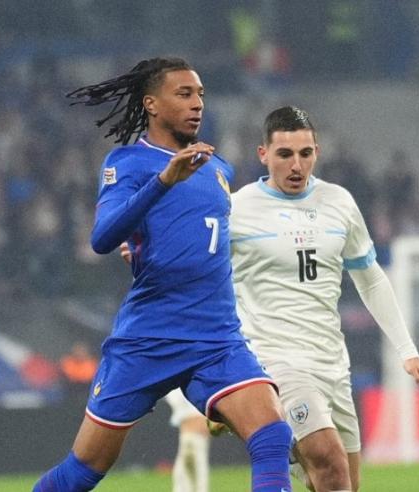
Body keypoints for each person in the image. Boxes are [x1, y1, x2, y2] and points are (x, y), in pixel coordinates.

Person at [32, 57, 293, 492]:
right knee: (83, 470)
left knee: (272, 435)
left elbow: (201, 237)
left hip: (215, 337)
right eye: (184, 94)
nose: (197, 104)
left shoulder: (218, 168)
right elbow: (101, 238)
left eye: (201, 95)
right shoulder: (129, 162)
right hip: (149, 338)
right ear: (151, 104)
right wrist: (163, 182)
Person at [229, 106, 419, 492]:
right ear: (263, 154)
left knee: (341, 481)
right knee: (330, 463)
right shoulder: (238, 208)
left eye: (306, 153)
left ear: (317, 152)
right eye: (284, 154)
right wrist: (142, 249)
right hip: (275, 362)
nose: (296, 165)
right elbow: (191, 263)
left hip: (332, 364)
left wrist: (407, 350)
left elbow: (371, 279)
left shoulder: (339, 202)